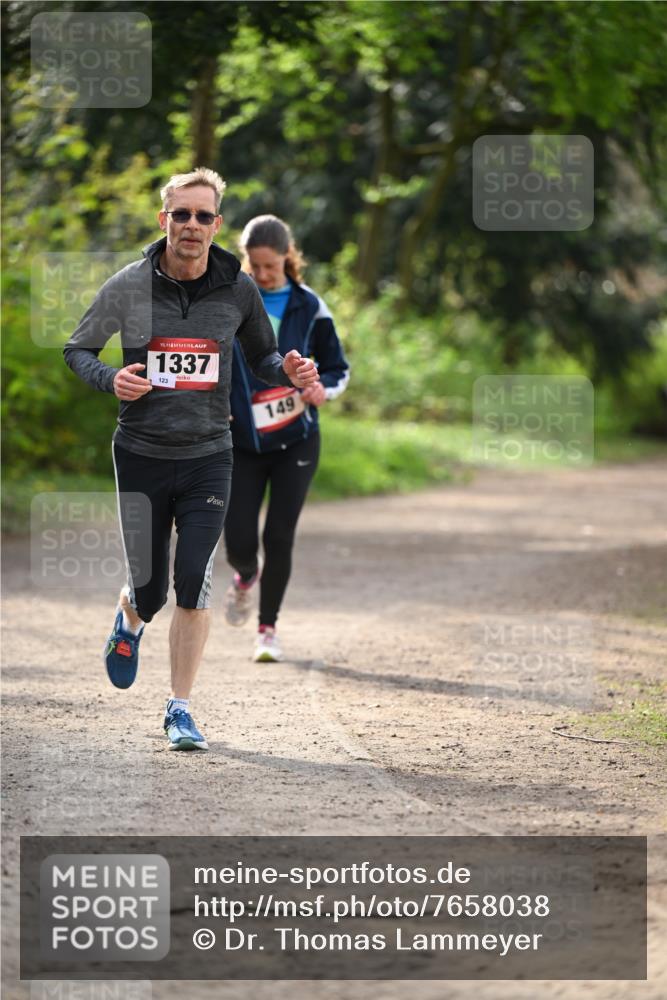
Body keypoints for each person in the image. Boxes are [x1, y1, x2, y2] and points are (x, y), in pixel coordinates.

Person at [63, 170, 318, 750]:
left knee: (193, 582)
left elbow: (263, 358)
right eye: (182, 215)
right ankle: (129, 618)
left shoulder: (239, 289)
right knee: (152, 590)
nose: (193, 226)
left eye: (204, 216)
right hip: (141, 453)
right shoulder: (129, 285)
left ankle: (179, 710)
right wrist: (111, 379)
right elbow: (77, 349)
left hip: (210, 455)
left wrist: (292, 370)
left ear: (217, 225)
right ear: (165, 220)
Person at [223, 215, 349, 661]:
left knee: (279, 535)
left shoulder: (309, 305)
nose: (261, 275)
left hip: (296, 440)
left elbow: (339, 367)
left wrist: (322, 390)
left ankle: (267, 630)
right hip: (240, 441)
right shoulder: (230, 299)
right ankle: (244, 576)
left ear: (287, 258)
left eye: (269, 267)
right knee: (237, 539)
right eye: (253, 266)